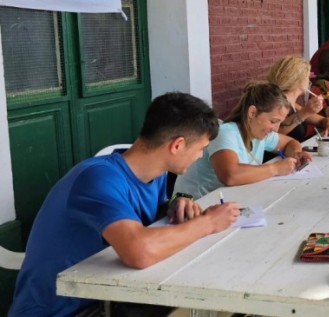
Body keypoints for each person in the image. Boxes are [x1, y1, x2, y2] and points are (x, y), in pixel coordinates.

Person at [10, 93, 241, 317]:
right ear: (177, 145)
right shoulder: (97, 178)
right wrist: (208, 223)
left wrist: (173, 206)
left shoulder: (153, 173)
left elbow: (137, 214)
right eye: (200, 148)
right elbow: (140, 252)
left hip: (111, 298)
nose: (200, 156)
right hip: (64, 310)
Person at [175, 82, 312, 199]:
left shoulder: (260, 133)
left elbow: (290, 143)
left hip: (228, 202)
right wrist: (275, 168)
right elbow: (230, 174)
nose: (276, 129)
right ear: (252, 113)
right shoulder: (225, 132)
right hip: (194, 206)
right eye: (273, 121)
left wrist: (296, 154)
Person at [267, 56, 329, 141]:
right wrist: (305, 112)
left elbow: (322, 120)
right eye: (307, 77)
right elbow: (273, 133)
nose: (309, 81)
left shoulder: (292, 104)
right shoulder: (277, 104)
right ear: (299, 80)